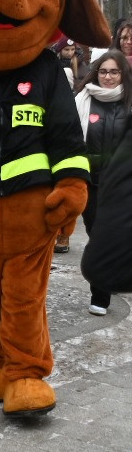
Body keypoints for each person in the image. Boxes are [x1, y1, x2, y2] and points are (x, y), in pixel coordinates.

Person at [73, 49, 131, 315]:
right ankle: (103, 289)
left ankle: (107, 287)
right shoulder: (81, 101)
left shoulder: (130, 103)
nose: (108, 77)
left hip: (123, 185)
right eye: (104, 71)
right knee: (97, 234)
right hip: (92, 183)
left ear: (123, 74)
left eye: (114, 72)